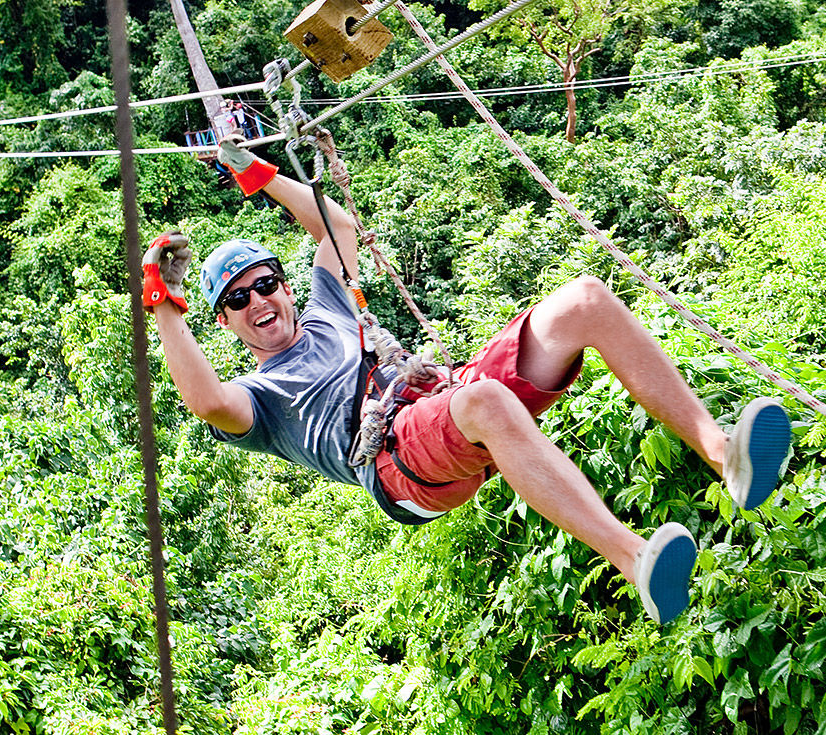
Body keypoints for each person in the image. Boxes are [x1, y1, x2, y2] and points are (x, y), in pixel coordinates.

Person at [143, 136, 792, 625]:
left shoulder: (328, 310)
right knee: (481, 401)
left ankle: (720, 450)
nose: (258, 303)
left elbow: (336, 227)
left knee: (585, 300)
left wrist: (262, 176)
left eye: (265, 284)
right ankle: (635, 559)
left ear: (285, 286)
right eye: (237, 301)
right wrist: (165, 305)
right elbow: (205, 400)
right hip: (395, 463)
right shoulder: (261, 399)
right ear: (224, 323)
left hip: (439, 398)